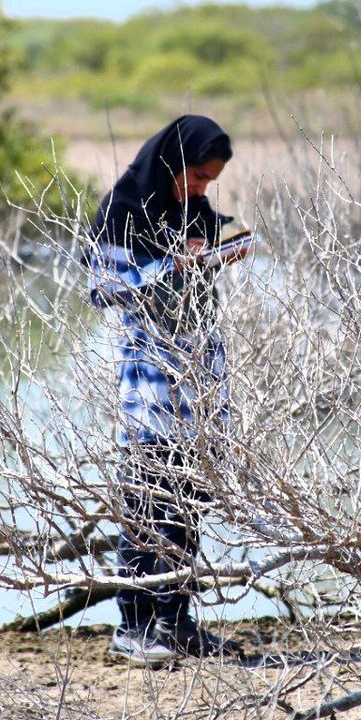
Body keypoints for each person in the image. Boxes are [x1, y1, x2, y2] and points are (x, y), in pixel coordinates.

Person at [84, 115, 251, 666]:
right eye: (197, 177)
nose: (202, 189)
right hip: (152, 382)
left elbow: (197, 281)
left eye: (210, 180)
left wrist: (216, 254)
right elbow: (103, 289)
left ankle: (176, 623)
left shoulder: (194, 211)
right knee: (144, 505)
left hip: (200, 381)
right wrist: (166, 268)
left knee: (189, 504)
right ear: (171, 164)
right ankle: (133, 627)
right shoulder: (121, 212)